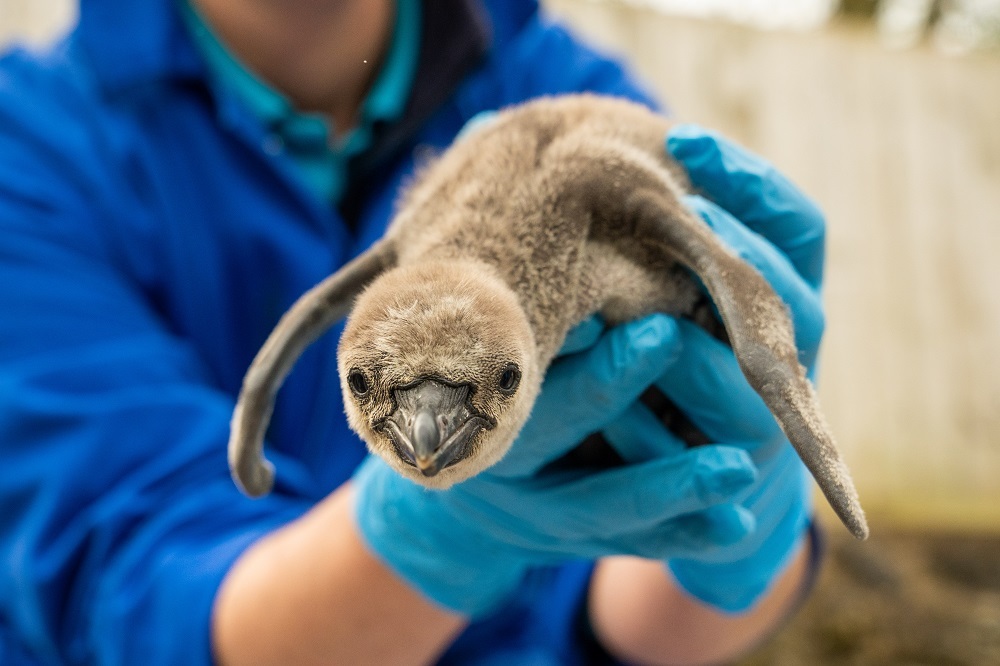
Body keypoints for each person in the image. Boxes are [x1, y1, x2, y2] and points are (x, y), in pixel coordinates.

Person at [0, 0, 829, 663]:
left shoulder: (562, 94)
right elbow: (132, 602)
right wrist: (432, 533)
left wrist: (736, 504)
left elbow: (623, 614)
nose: (430, 434)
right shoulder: (30, 153)